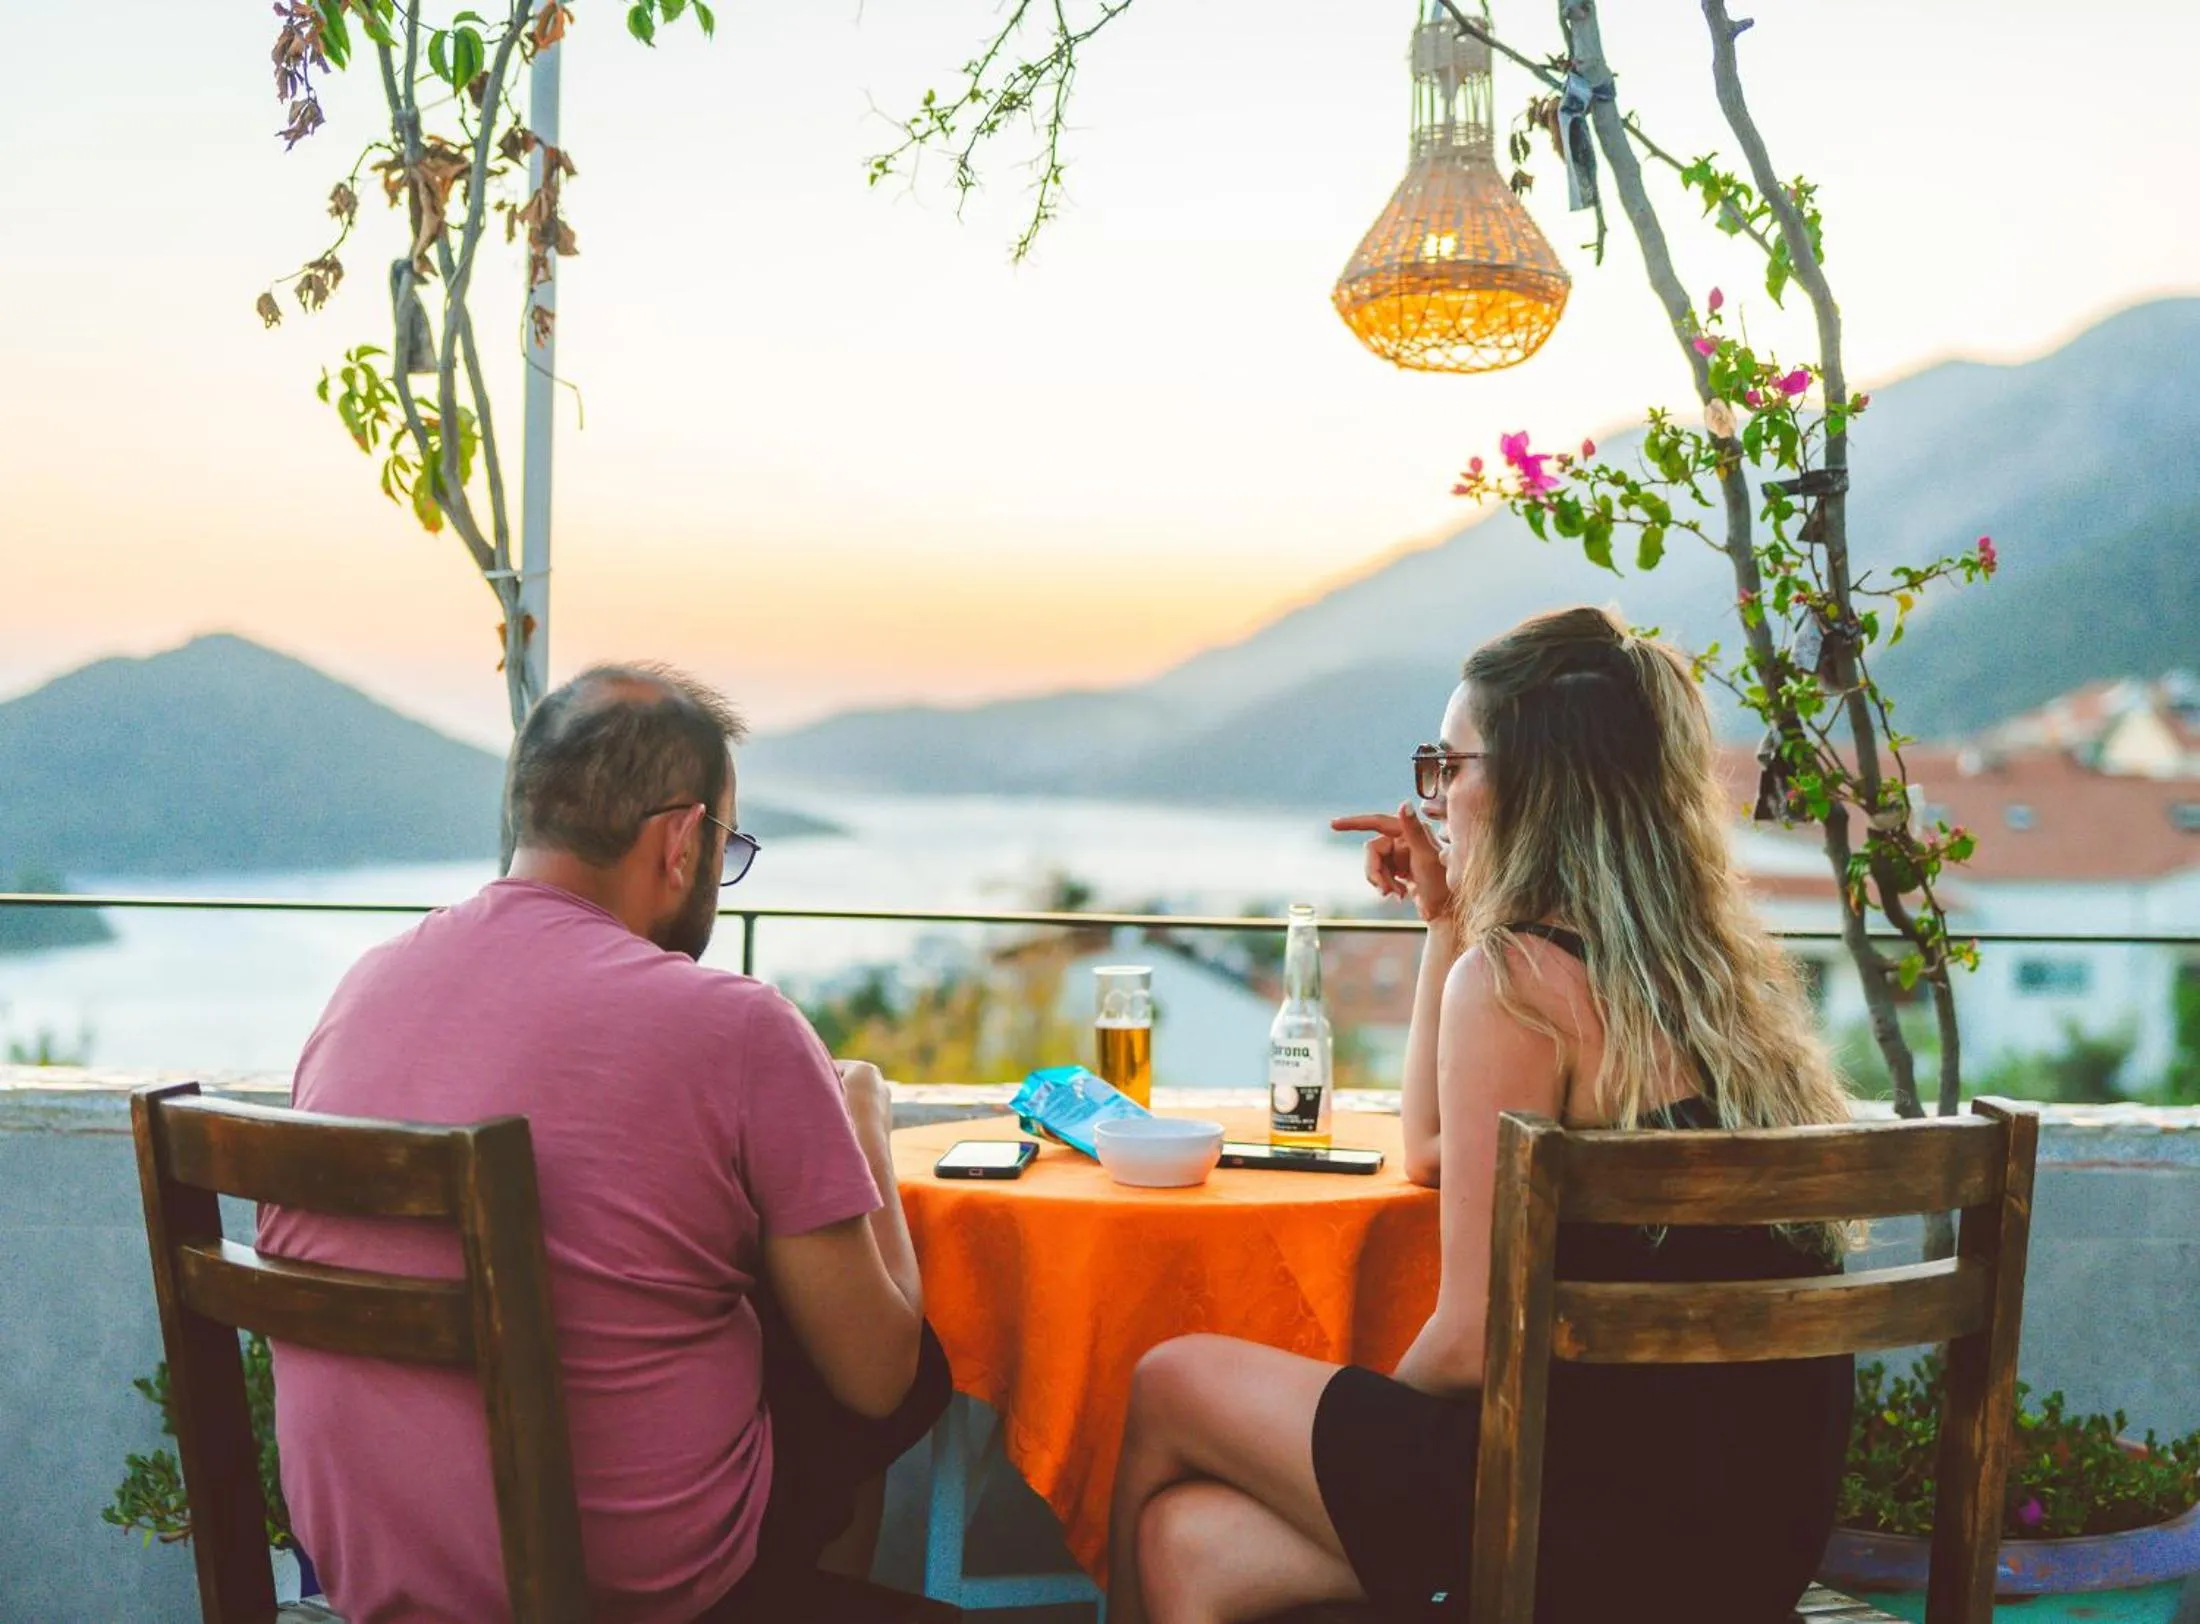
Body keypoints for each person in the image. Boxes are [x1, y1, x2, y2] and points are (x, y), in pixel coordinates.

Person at [1105, 606, 1855, 1623]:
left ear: (1533, 785)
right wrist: (1447, 920)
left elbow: (1467, 1340)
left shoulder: (1518, 982)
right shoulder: (1713, 981)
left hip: (1587, 1529)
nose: (1434, 797)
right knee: (1187, 1544)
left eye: (1448, 764)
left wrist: (1367, 1446)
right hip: (1745, 1541)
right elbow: (1432, 1153)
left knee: (1170, 1377)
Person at [258, 664, 951, 1624]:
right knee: (888, 1361)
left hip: (373, 1579)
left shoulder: (364, 990)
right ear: (681, 840)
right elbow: (879, 1379)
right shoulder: (737, 1025)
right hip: (623, 1592)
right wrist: (861, 1117)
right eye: (728, 847)